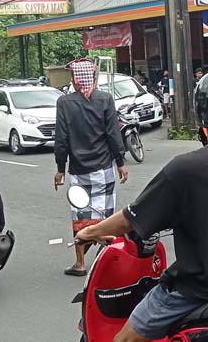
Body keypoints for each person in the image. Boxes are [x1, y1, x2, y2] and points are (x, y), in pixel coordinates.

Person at [75, 71, 208, 342]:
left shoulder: (187, 168)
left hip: (198, 290)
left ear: (200, 112)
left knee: (122, 340)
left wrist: (88, 232)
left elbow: (130, 219)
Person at [54, 58, 128, 276]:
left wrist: (60, 168)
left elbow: (61, 139)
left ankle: (80, 264)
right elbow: (114, 134)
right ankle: (106, 263)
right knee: (106, 218)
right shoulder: (105, 99)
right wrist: (121, 163)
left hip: (78, 171)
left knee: (80, 217)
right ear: (94, 77)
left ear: (75, 80)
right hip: (104, 169)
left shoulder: (64, 103)